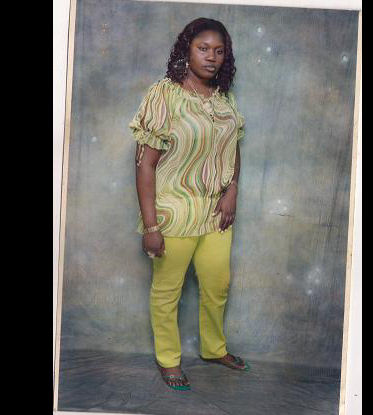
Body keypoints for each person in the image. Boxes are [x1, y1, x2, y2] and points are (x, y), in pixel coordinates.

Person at [129, 17, 249, 391]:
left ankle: (213, 349)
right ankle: (168, 359)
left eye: (219, 51)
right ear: (187, 50)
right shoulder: (164, 95)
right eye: (203, 48)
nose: (211, 57)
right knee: (168, 291)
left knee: (218, 284)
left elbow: (233, 148)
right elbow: (144, 164)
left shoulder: (224, 100)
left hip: (216, 211)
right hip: (173, 210)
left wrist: (232, 189)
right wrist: (151, 226)